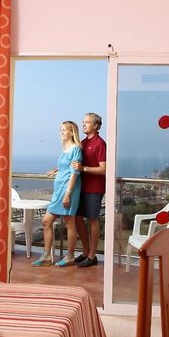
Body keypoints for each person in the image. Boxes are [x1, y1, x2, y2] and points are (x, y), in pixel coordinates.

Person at [32, 121, 83, 267]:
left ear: (72, 132)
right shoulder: (65, 149)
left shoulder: (76, 149)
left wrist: (67, 194)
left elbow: (74, 173)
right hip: (58, 190)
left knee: (69, 222)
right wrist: (55, 170)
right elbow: (65, 165)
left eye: (64, 130)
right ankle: (47, 256)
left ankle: (70, 256)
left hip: (68, 190)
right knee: (46, 221)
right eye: (60, 130)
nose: (61, 132)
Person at [71, 112, 106, 267]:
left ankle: (92, 255)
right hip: (81, 186)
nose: (84, 125)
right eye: (83, 122)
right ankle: (85, 251)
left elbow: (103, 169)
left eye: (87, 122)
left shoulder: (100, 143)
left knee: (92, 220)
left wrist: (83, 168)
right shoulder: (82, 143)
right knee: (77, 218)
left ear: (96, 125)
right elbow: (74, 162)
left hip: (95, 187)